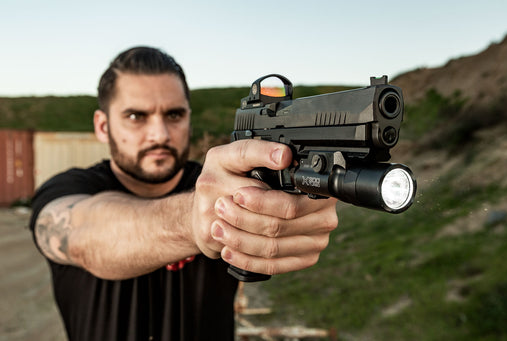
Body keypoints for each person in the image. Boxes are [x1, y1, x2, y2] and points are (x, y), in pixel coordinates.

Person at [29, 46, 339, 341]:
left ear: (190, 117)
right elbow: (83, 234)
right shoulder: (67, 189)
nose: (160, 134)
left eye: (174, 115)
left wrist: (293, 210)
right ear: (102, 125)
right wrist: (193, 218)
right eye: (136, 117)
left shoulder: (231, 183)